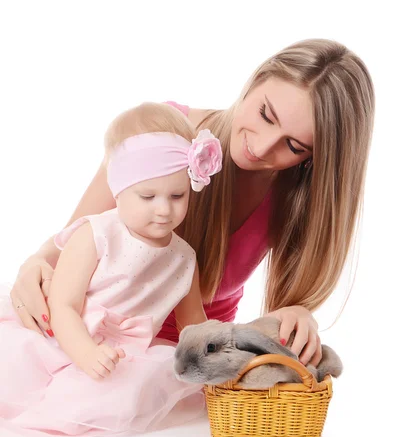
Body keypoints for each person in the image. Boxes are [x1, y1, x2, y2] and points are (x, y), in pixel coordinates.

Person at [9, 39, 375, 368]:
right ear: (257, 80)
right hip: (100, 346)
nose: (261, 147)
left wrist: (298, 312)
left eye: (294, 146)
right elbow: (74, 238)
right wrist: (36, 264)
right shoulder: (163, 134)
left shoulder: (295, 198)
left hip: (190, 362)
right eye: (266, 115)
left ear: (313, 160)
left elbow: (215, 330)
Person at [0, 102, 222, 437]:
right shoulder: (95, 234)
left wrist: (220, 356)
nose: (164, 209)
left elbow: (193, 323)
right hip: (63, 338)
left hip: (125, 358)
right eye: (147, 196)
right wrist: (85, 352)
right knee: (15, 373)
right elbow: (64, 305)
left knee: (115, 392)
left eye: (177, 195)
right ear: (119, 191)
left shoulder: (184, 258)